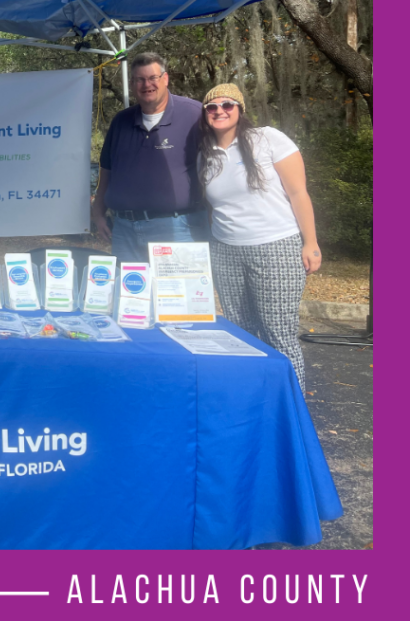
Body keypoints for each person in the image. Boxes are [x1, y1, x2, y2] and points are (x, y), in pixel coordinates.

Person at [199, 84, 321, 391]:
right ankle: (251, 401)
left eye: (227, 105)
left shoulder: (268, 139)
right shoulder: (205, 155)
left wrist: (311, 243)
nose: (219, 111)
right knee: (240, 333)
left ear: (240, 109)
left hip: (276, 246)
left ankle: (291, 410)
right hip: (225, 251)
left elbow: (298, 193)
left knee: (278, 332)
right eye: (211, 107)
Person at [91, 52, 209, 263]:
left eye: (153, 78)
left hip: (178, 228)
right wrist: (98, 213)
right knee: (132, 295)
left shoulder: (194, 114)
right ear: (133, 84)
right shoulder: (121, 121)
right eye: (140, 79)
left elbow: (218, 164)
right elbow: (107, 170)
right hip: (125, 230)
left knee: (176, 296)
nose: (147, 85)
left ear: (165, 79)